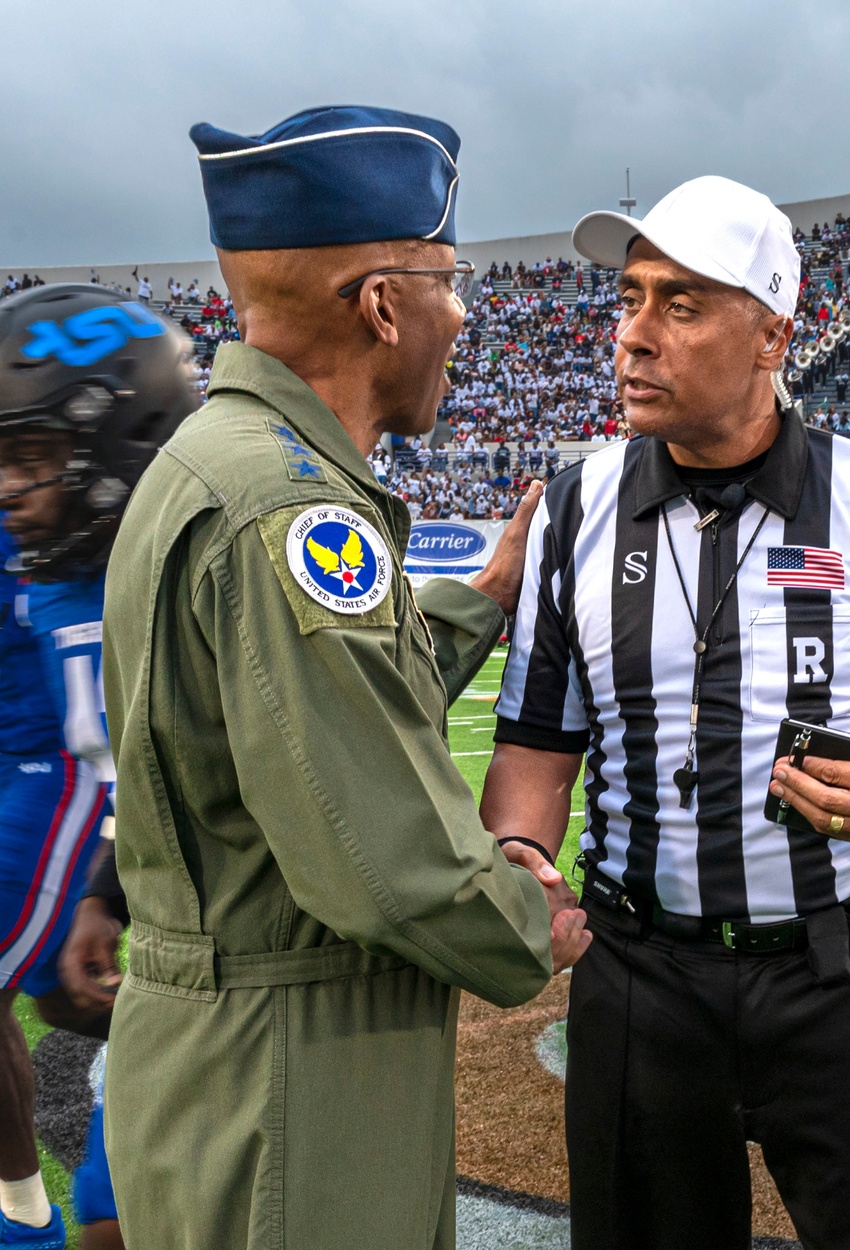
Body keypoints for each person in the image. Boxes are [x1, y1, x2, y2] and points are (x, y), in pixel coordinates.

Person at [99, 105, 589, 1250]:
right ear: (382, 305)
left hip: (216, 1050)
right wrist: (533, 919)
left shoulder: (217, 461)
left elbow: (295, 700)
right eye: (451, 285)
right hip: (293, 1069)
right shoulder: (291, 506)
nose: (463, 319)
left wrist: (482, 593)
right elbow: (386, 861)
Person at [481, 175, 850, 1250]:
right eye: (628, 299)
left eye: (679, 305)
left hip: (842, 970)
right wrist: (523, 848)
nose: (633, 337)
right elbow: (537, 732)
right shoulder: (573, 504)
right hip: (640, 979)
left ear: (771, 335)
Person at [0, 284, 195, 1249]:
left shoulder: (201, 564)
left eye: (31, 457)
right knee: (109, 1228)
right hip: (152, 935)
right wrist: (106, 897)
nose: (8, 487)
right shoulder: (58, 572)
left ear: (118, 448)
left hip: (232, 967)